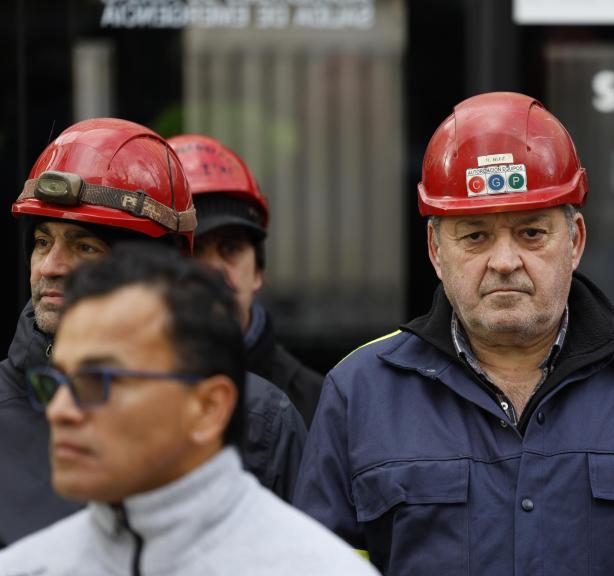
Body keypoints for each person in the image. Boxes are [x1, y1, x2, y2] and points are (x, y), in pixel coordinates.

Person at [293, 91, 614, 576]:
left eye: (531, 233)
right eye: (476, 235)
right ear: (435, 251)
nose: (504, 262)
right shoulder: (359, 393)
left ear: (575, 242)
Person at [0, 118, 304, 547]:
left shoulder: (261, 422)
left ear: (152, 268)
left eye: (85, 246)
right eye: (43, 241)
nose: (51, 267)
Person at [0, 244, 379, 575]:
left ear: (209, 408)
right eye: (55, 383)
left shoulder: (315, 568)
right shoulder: (27, 567)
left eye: (98, 381)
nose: (60, 411)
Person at [168, 134, 323, 425]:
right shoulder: (119, 392)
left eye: (230, 249)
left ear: (258, 272)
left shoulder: (316, 404)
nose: (213, 268)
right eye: (193, 249)